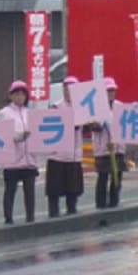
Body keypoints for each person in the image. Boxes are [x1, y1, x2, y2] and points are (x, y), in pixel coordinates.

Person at [0, 80, 38, 224]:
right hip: (12, 160)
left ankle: (30, 218)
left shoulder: (30, 113)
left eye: (22, 94)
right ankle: (8, 218)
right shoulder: (4, 113)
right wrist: (19, 136)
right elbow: (2, 134)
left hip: (29, 159)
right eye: (17, 94)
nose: (20, 97)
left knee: (30, 192)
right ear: (11, 96)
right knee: (10, 191)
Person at [45, 76, 84, 218]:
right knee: (54, 189)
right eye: (66, 89)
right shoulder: (55, 106)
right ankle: (53, 212)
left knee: (73, 189)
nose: (69, 92)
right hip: (57, 154)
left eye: (72, 89)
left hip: (74, 154)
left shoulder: (84, 107)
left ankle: (72, 210)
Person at [90, 77, 125, 209]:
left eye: (113, 90)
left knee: (117, 176)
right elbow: (92, 126)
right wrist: (97, 124)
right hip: (103, 148)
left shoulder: (120, 106)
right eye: (108, 90)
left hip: (118, 148)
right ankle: (101, 204)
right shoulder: (96, 108)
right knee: (103, 177)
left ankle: (114, 202)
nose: (111, 93)